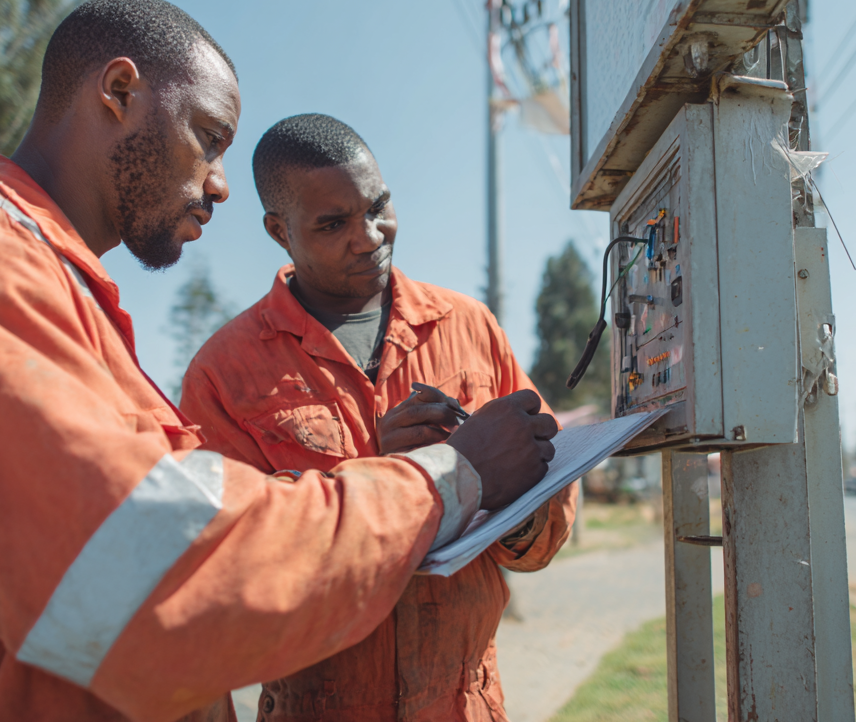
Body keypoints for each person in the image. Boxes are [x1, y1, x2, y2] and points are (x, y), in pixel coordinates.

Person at [0, 0, 557, 722]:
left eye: (378, 209)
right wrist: (448, 477)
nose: (219, 187)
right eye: (208, 139)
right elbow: (165, 582)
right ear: (118, 92)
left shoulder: (62, 296)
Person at [179, 113, 578, 722]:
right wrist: (384, 475)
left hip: (465, 705)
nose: (369, 236)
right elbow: (230, 577)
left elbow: (548, 522)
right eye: (333, 224)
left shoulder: (468, 327)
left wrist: (507, 499)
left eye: (379, 206)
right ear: (278, 231)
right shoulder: (226, 374)